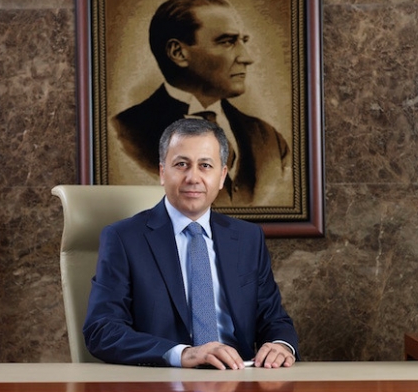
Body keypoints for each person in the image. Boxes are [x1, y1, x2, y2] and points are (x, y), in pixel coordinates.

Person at [84, 118, 298, 369]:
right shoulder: (123, 238)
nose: (193, 177)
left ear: (222, 176)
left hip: (239, 378)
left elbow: (274, 319)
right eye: (181, 164)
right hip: (162, 381)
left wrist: (280, 345)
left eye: (205, 165)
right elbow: (102, 330)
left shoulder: (248, 238)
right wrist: (182, 354)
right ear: (162, 173)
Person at [111, 0, 291, 207]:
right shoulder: (124, 135)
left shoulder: (269, 140)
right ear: (178, 52)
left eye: (243, 41)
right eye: (227, 42)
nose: (247, 58)